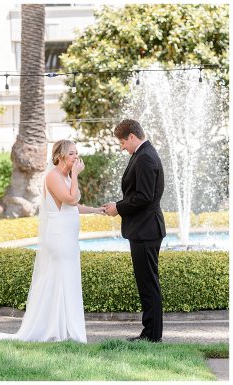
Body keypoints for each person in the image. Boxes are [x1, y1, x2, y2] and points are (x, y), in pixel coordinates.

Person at [0, 139, 103, 343]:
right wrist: (75, 175)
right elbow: (70, 200)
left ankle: (63, 329)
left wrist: (96, 211)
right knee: (62, 279)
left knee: (65, 281)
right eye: (71, 153)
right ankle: (58, 330)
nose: (76, 156)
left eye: (76, 152)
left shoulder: (65, 177)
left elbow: (74, 206)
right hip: (59, 237)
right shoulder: (53, 176)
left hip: (68, 238)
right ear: (60, 156)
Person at [102, 119, 166, 342]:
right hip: (144, 229)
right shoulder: (143, 154)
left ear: (131, 136)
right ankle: (150, 333)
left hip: (146, 230)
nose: (122, 147)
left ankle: (151, 336)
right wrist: (118, 204)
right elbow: (138, 195)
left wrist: (118, 208)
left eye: (122, 142)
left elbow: (144, 197)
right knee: (147, 282)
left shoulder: (145, 157)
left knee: (148, 284)